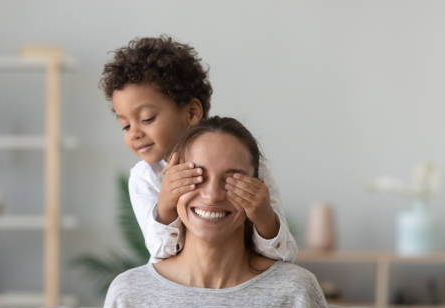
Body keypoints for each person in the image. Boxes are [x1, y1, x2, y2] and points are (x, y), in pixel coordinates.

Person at [95, 117, 336, 308]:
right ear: (170, 183)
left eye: (233, 180)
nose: (211, 195)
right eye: (196, 176)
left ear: (258, 190)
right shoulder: (129, 292)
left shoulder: (295, 291)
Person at [100, 36, 298, 263]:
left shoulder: (246, 164)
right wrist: (165, 207)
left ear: (192, 113)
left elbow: (284, 254)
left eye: (147, 118)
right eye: (125, 125)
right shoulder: (145, 178)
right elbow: (161, 256)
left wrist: (264, 217)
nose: (134, 133)